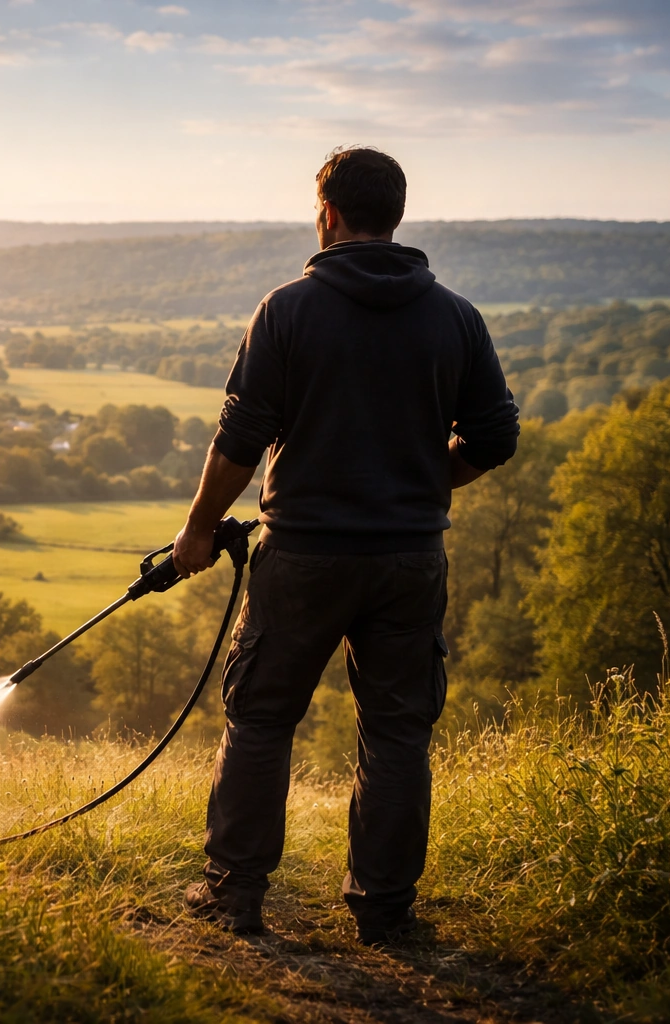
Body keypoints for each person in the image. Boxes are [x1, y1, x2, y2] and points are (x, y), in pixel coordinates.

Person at [171, 146, 519, 945]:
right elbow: (496, 436)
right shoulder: (455, 316)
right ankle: (386, 913)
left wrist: (196, 529)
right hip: (409, 561)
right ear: (396, 215)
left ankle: (234, 896)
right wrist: (427, 485)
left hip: (302, 556)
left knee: (260, 718)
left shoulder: (287, 310)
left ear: (326, 213)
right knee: (398, 730)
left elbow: (240, 439)